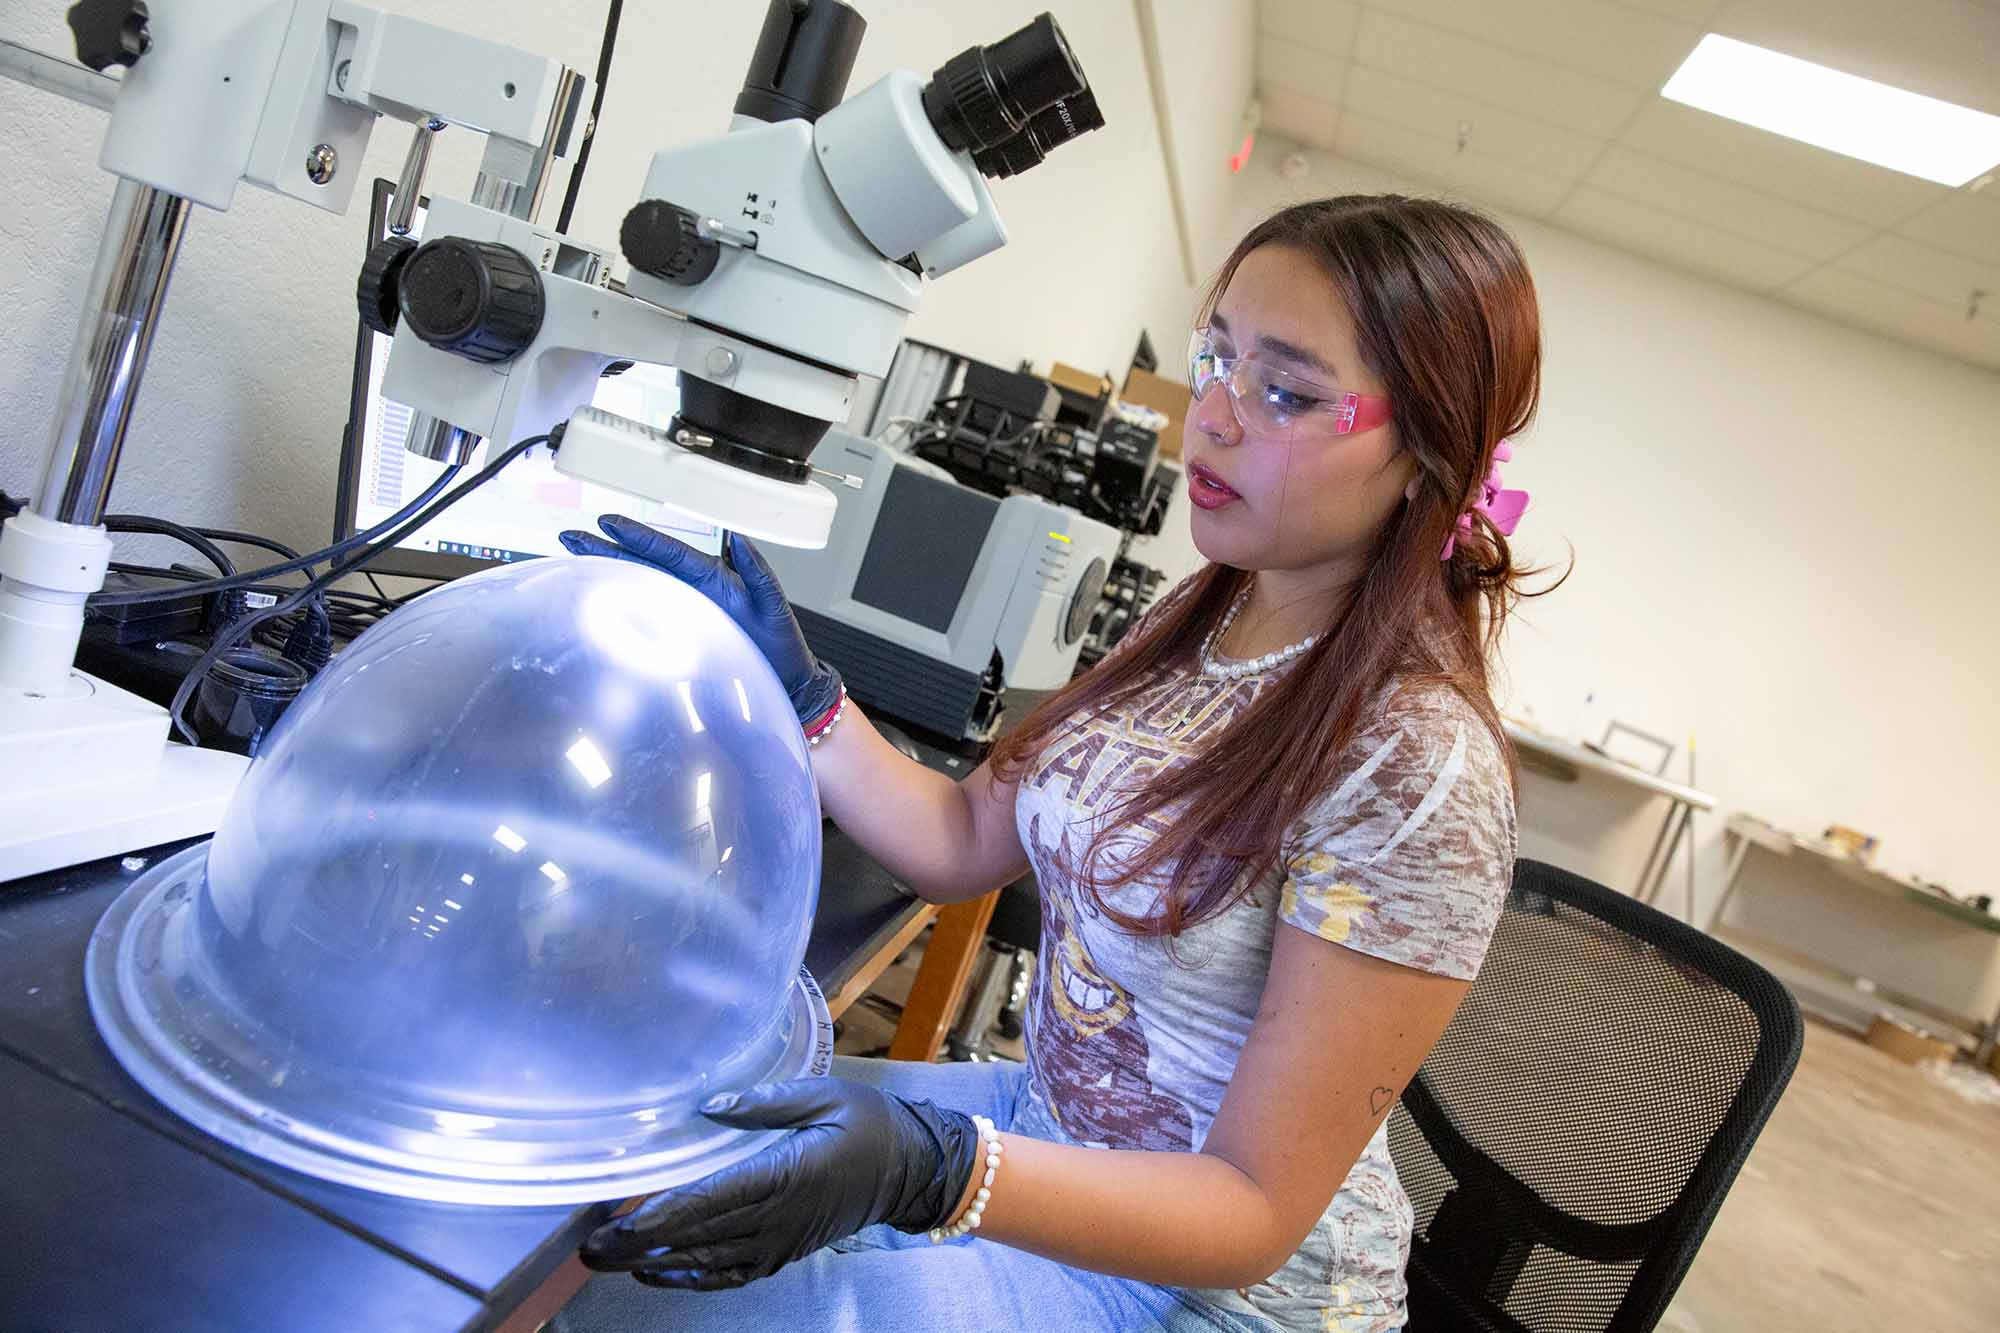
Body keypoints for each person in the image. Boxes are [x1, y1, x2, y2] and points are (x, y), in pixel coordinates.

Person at [552, 193, 1544, 1333]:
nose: (1210, 418)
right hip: (1052, 1124)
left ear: (1427, 449)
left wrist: (933, 1170)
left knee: (637, 1309)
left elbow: (1253, 1206)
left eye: (1284, 390)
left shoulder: (1415, 764)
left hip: (1215, 1289)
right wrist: (803, 696)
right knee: (650, 1155)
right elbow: (961, 840)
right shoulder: (1197, 614)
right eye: (1214, 357)